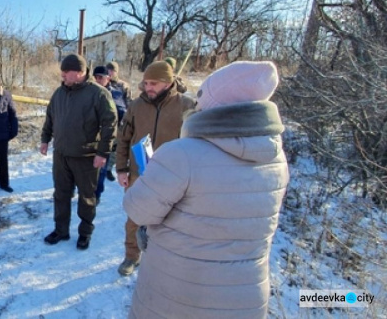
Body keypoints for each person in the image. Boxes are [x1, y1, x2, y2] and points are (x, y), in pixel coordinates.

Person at [122, 61, 289, 319]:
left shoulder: (181, 154)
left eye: (203, 97)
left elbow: (138, 210)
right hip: (244, 296)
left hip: (178, 293)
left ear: (213, 103)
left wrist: (155, 175)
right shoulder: (276, 158)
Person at [114, 59, 195, 276]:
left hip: (172, 176)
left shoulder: (186, 106)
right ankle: (131, 256)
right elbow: (123, 138)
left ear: (168, 83)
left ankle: (163, 260)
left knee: (170, 220)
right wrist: (121, 168)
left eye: (154, 84)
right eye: (146, 83)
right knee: (135, 217)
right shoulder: (136, 106)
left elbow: (197, 143)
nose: (148, 87)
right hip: (138, 174)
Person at [40, 54, 117, 250]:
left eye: (67, 72)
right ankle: (61, 230)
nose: (62, 75)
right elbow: (50, 117)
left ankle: (85, 233)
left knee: (87, 197)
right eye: (62, 71)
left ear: (80, 72)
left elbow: (110, 125)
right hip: (62, 155)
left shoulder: (98, 94)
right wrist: (45, 139)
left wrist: (102, 153)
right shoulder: (59, 93)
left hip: (87, 157)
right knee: (61, 194)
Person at [92, 65, 130, 204]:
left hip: (106, 137)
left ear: (108, 78)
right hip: (88, 138)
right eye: (95, 77)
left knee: (101, 169)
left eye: (100, 77)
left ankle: (96, 195)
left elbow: (122, 113)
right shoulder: (88, 92)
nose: (97, 80)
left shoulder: (116, 94)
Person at [102, 61, 132, 181]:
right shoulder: (103, 83)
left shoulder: (123, 86)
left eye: (112, 70)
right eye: (108, 70)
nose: (110, 73)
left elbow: (128, 102)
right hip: (105, 121)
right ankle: (101, 168)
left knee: (117, 147)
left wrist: (128, 118)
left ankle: (109, 168)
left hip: (120, 121)